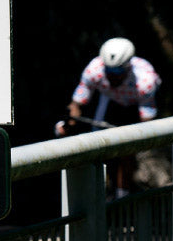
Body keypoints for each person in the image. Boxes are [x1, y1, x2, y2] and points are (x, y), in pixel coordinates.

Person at [55, 37, 161, 200]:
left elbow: (146, 120)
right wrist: (70, 122)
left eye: (118, 72)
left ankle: (122, 195)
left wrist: (132, 140)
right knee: (96, 139)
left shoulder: (145, 81)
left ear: (128, 68)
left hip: (134, 105)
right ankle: (99, 189)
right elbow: (76, 104)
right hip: (109, 100)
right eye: (108, 71)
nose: (112, 76)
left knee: (128, 149)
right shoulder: (94, 70)